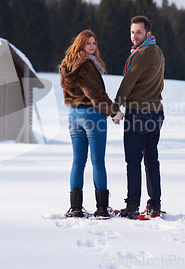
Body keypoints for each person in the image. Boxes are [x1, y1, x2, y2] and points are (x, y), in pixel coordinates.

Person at [59, 29, 121, 218]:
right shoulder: (86, 65)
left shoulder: (68, 65)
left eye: (94, 43)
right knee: (97, 161)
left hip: (73, 115)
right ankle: (102, 208)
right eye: (88, 43)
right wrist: (114, 112)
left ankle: (75, 208)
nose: (92, 46)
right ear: (81, 44)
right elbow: (96, 94)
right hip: (92, 116)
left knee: (78, 161)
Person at [113, 15, 165, 219]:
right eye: (133, 32)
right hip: (156, 112)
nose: (135, 36)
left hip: (138, 113)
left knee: (133, 161)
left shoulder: (143, 54)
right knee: (151, 160)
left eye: (139, 32)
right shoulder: (158, 51)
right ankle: (154, 204)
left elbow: (128, 84)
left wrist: (115, 108)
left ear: (148, 33)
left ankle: (133, 205)